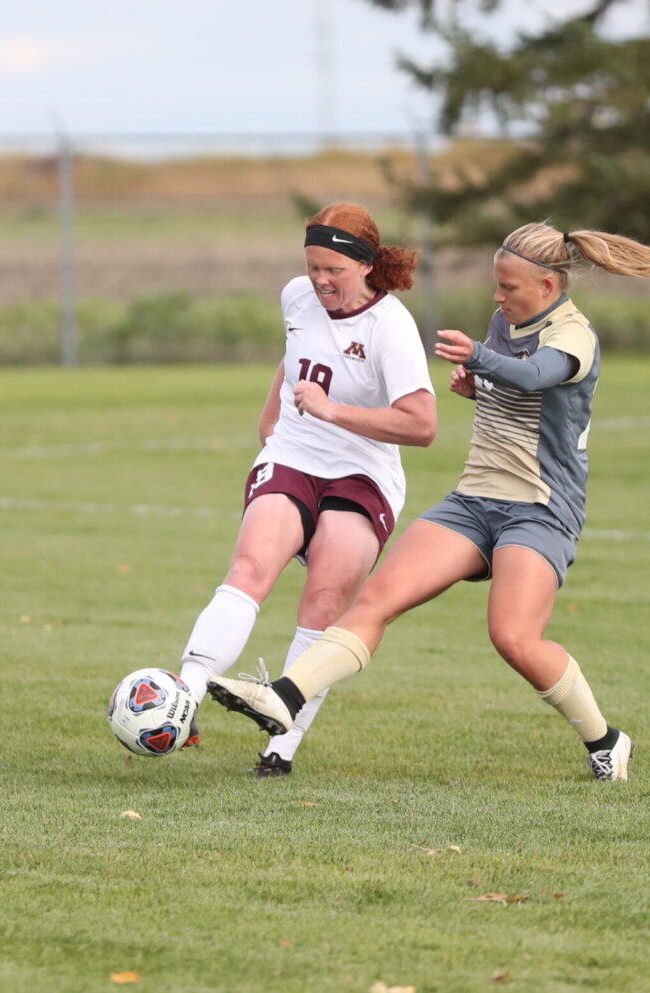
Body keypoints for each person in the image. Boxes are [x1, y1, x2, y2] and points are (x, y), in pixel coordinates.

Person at [207, 220, 650, 781]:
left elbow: (537, 376)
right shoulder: (505, 321)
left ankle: (606, 739)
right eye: (497, 285)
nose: (498, 297)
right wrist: (478, 387)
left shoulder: (573, 335)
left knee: (512, 636)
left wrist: (483, 362)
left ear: (548, 288)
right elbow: (513, 390)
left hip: (540, 509)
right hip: (473, 501)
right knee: (376, 600)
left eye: (509, 288)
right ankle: (284, 699)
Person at [178, 202, 437, 776]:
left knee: (324, 601)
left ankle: (281, 745)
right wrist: (271, 418)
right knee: (248, 569)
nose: (320, 280)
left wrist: (332, 411)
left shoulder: (390, 326)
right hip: (294, 455)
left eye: (334, 271)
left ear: (367, 266)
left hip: (363, 474)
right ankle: (184, 699)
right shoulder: (295, 295)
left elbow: (422, 425)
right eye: (313, 266)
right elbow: (294, 354)